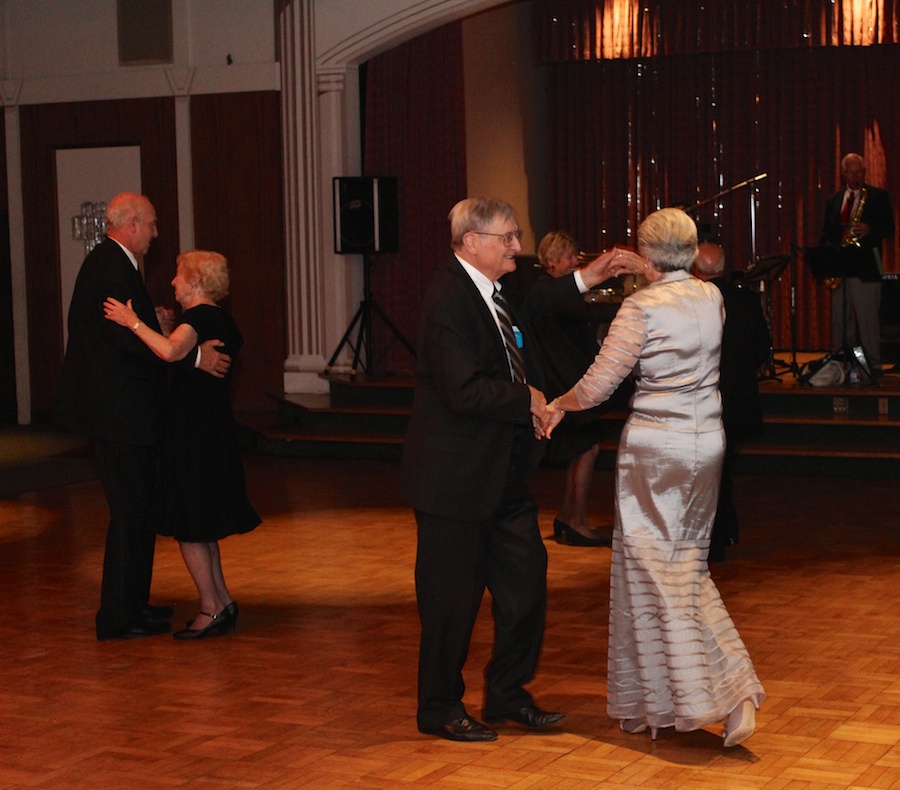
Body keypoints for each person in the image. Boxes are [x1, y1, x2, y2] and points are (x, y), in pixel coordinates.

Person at [398, 197, 643, 742]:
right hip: (454, 481)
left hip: (500, 474)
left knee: (525, 585)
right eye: (507, 238)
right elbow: (461, 390)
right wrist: (527, 397)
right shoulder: (447, 301)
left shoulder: (490, 289)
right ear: (471, 243)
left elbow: (534, 301)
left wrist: (587, 275)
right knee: (450, 603)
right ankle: (438, 707)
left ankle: (507, 694)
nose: (516, 246)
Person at [542, 208, 765, 747]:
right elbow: (676, 287)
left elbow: (597, 387)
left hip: (656, 449)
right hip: (706, 443)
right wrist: (646, 267)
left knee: (655, 571)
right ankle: (656, 703)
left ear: (646, 251)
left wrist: (556, 404)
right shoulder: (710, 297)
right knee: (681, 565)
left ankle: (728, 690)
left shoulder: (639, 308)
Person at [55, 193, 231, 642]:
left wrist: (148, 319)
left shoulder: (115, 264)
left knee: (137, 511)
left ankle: (132, 605)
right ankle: (116, 618)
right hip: (117, 414)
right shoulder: (111, 265)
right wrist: (191, 361)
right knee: (129, 513)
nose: (155, 233)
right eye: (151, 225)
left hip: (124, 413)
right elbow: (121, 340)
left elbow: (120, 331)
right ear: (131, 223)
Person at [104, 250, 261, 639]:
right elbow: (182, 351)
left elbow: (171, 351)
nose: (173, 282)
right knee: (201, 524)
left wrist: (132, 321)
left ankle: (209, 608)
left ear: (194, 282)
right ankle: (221, 600)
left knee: (190, 524)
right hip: (210, 430)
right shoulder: (217, 318)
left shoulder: (198, 317)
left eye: (178, 276)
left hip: (192, 434)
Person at [531, 230, 622, 547]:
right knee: (587, 449)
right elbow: (587, 313)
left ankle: (568, 516)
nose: (573, 262)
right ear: (553, 260)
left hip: (564, 378)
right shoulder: (550, 293)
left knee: (584, 449)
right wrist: (632, 308)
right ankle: (576, 520)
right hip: (566, 382)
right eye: (569, 257)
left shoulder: (546, 290)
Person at [692, 237, 770, 562]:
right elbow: (761, 352)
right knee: (721, 470)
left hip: (705, 398)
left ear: (695, 268)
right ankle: (725, 530)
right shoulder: (747, 301)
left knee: (708, 473)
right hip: (738, 400)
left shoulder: (693, 301)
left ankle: (713, 539)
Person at [820, 152, 895, 379]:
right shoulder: (834, 200)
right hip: (840, 268)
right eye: (850, 172)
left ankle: (873, 366)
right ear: (843, 173)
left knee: (868, 320)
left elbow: (890, 229)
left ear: (864, 172)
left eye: (859, 172)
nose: (855, 176)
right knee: (841, 322)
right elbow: (826, 234)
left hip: (865, 269)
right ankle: (843, 364)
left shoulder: (878, 196)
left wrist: (870, 229)